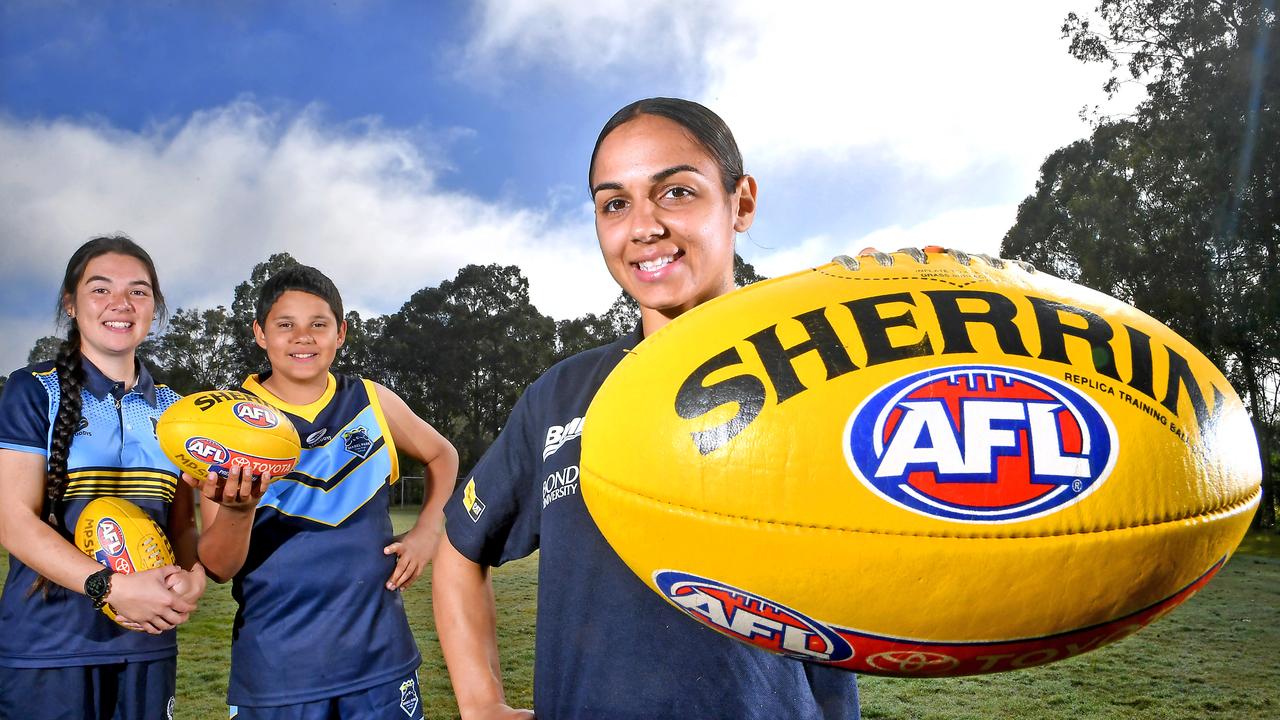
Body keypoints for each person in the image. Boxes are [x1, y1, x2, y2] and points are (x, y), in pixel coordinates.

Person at [433, 98, 861, 719]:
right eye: (615, 203)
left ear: (740, 203)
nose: (643, 226)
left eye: (677, 193)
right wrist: (481, 705)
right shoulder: (562, 397)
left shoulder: (828, 370)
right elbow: (459, 548)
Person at [191, 264, 458, 719]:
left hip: (380, 661)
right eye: (285, 324)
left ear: (341, 333)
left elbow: (443, 455)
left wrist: (428, 530)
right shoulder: (227, 423)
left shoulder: (371, 401)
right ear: (259, 333)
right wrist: (239, 511)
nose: (303, 337)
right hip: (277, 672)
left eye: (318, 324)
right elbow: (218, 566)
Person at [0, 235, 207, 720]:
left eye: (138, 291)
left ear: (154, 308)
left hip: (148, 646)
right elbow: (12, 520)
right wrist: (109, 588)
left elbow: (182, 527)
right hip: (48, 648)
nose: (121, 303)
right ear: (70, 304)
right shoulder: (32, 390)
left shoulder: (179, 411)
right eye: (100, 289)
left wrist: (194, 576)